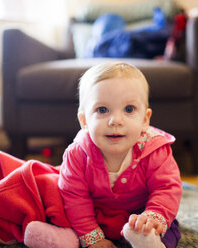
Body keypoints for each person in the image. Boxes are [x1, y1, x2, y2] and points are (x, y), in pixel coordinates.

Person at [57, 61, 182, 248]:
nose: (116, 120)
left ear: (145, 119)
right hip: (95, 215)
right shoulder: (77, 154)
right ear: (84, 120)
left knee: (169, 228)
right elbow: (74, 197)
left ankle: (150, 243)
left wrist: (152, 217)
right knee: (64, 218)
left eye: (129, 109)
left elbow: (167, 188)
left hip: (142, 213)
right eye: (102, 110)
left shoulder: (155, 150)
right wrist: (93, 237)